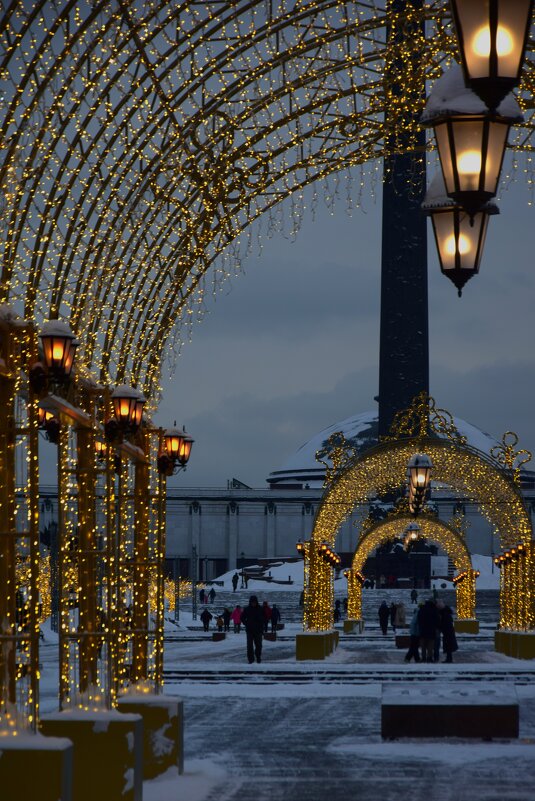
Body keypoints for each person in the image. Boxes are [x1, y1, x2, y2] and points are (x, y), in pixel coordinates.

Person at [241, 595, 264, 664]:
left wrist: (261, 623)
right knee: (250, 646)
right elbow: (242, 617)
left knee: (259, 645)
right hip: (249, 630)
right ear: (250, 602)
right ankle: (250, 659)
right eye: (252, 602)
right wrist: (246, 623)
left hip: (258, 630)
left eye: (255, 602)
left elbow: (264, 618)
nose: (253, 603)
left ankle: (258, 657)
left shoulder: (260, 609)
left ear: (257, 602)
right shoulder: (247, 609)